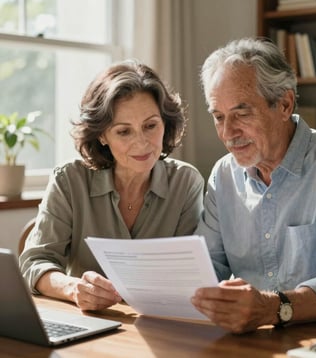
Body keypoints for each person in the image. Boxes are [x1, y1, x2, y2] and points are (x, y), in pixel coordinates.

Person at [191, 37, 316, 334]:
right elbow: (206, 269)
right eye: (219, 117)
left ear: (285, 104)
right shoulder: (223, 175)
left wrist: (271, 308)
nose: (228, 133)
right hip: (249, 341)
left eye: (242, 113)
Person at [20, 59, 204, 311]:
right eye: (124, 131)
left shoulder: (186, 182)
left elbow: (190, 276)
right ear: (102, 135)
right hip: (90, 325)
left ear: (165, 124)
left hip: (161, 324)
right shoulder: (69, 180)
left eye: (150, 126)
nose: (142, 143)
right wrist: (74, 289)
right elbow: (35, 262)